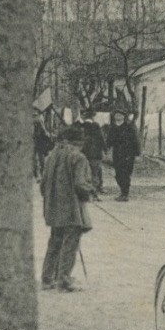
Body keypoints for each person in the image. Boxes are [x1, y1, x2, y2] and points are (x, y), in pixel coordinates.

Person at [40, 124, 94, 292]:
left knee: (55, 241)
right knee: (70, 243)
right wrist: (90, 191)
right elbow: (80, 184)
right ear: (78, 142)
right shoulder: (78, 157)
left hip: (53, 206)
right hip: (71, 208)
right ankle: (63, 280)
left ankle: (47, 278)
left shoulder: (51, 156)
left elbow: (42, 184)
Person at [107, 110, 139, 202]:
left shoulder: (129, 128)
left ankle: (125, 194)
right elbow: (109, 141)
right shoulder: (112, 128)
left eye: (120, 115)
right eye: (116, 115)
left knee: (125, 174)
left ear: (124, 117)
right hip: (117, 154)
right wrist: (107, 149)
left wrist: (136, 154)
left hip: (128, 154)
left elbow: (135, 141)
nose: (118, 116)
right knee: (118, 175)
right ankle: (123, 192)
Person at [78, 109, 106, 198]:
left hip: (83, 153)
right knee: (95, 172)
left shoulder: (80, 126)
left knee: (85, 172)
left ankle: (87, 190)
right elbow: (101, 139)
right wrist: (105, 149)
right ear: (93, 117)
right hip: (96, 154)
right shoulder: (96, 126)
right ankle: (95, 192)